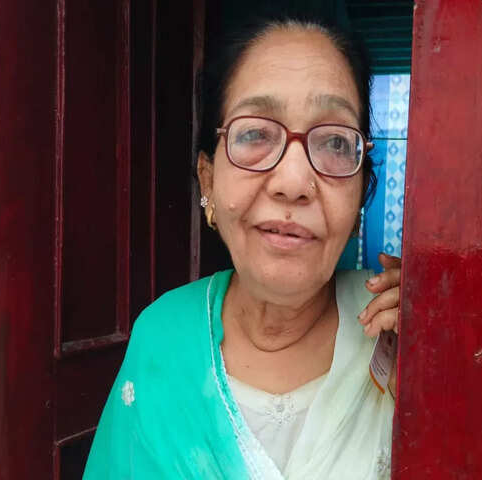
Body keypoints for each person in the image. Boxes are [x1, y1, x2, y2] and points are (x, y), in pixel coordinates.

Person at [84, 14, 402, 480]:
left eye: (335, 142)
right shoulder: (164, 337)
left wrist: (443, 361)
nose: (293, 182)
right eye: (255, 134)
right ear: (208, 179)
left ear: (360, 195)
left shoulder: (402, 334)